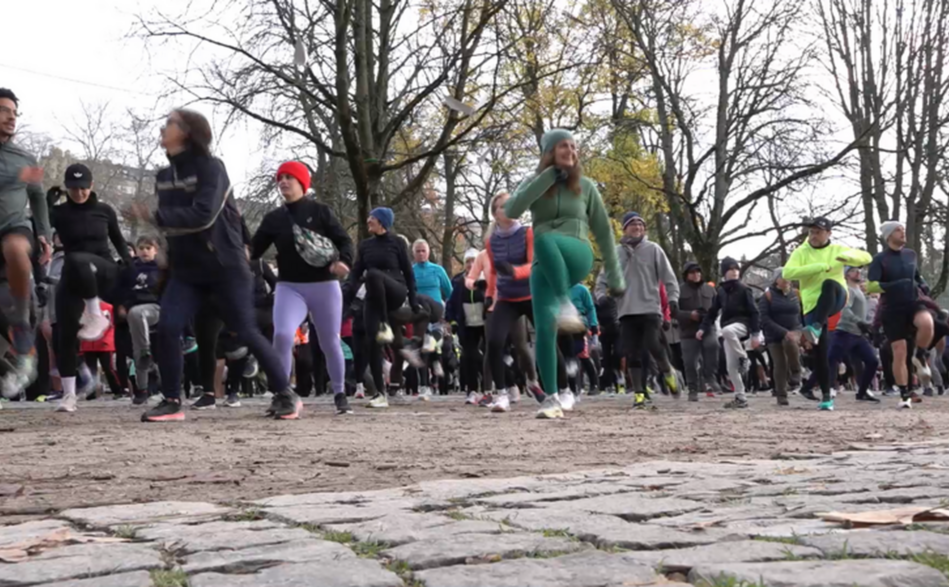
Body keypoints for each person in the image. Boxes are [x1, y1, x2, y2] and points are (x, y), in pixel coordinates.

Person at [132, 108, 300, 422]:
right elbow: (171, 228)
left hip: (225, 267)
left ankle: (285, 394)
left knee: (246, 331)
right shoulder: (164, 177)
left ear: (187, 132)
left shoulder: (213, 168)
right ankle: (171, 400)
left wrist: (153, 216)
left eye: (170, 123)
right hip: (186, 270)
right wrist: (166, 261)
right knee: (167, 327)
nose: (163, 128)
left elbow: (203, 215)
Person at [505, 129, 624, 419]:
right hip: (544, 265)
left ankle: (564, 302)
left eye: (573, 146)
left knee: (543, 236)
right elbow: (512, 209)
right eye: (563, 146)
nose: (570, 151)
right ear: (549, 152)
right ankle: (552, 397)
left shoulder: (585, 186)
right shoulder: (534, 182)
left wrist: (616, 274)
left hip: (577, 251)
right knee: (545, 329)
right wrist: (547, 177)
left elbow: (604, 232)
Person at [251, 161, 354, 416]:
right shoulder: (274, 218)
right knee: (283, 335)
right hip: (289, 287)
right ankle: (283, 394)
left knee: (330, 341)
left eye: (289, 177)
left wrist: (344, 262)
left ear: (302, 183)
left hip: (324, 286)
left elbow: (344, 241)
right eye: (280, 178)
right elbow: (253, 250)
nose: (283, 181)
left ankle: (340, 394)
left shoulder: (320, 212)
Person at [50, 164, 131, 412]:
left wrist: (128, 263)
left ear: (91, 186)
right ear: (67, 188)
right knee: (64, 332)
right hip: (75, 276)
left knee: (77, 258)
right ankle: (69, 395)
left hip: (103, 268)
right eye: (74, 189)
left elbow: (117, 238)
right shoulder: (60, 212)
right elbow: (39, 224)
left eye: (84, 188)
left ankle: (95, 313)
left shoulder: (104, 210)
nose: (80, 193)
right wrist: (45, 202)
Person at [783, 217, 871, 411]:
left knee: (829, 283)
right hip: (812, 304)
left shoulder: (837, 250)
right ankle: (826, 397)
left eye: (818, 232)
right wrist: (820, 267)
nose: (813, 236)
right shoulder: (801, 252)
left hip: (837, 297)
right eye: (811, 232)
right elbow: (788, 273)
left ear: (828, 233)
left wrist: (848, 259)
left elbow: (866, 257)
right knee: (821, 353)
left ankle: (814, 328)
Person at [597, 212, 679, 409]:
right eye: (633, 224)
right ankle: (639, 394)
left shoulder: (654, 249)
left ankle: (668, 371)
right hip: (626, 310)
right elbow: (602, 279)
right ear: (625, 228)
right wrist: (600, 296)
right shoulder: (615, 253)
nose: (637, 227)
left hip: (650, 306)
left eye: (641, 224)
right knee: (631, 352)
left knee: (652, 343)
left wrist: (673, 298)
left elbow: (669, 277)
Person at [0, 88, 51, 388]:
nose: (11, 117)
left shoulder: (24, 157)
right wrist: (14, 178)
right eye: (5, 110)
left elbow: (38, 195)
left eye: (15, 113)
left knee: (17, 247)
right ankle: (13, 366)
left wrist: (44, 232)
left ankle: (21, 320)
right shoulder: (19, 168)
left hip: (14, 228)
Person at [343, 207, 418, 408]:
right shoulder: (365, 245)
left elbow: (408, 272)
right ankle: (379, 393)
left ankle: (385, 322)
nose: (368, 221)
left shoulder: (397, 243)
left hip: (395, 288)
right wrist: (345, 296)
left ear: (382, 222)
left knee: (374, 275)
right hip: (374, 297)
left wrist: (413, 299)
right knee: (372, 342)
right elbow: (355, 273)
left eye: (372, 218)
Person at [482, 192, 541, 412]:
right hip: (507, 298)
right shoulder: (491, 241)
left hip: (531, 295)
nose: (509, 209)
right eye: (503, 207)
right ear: (495, 213)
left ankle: (558, 389)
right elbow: (495, 272)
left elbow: (533, 263)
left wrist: (515, 272)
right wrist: (489, 294)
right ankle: (502, 394)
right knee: (494, 342)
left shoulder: (528, 233)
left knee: (546, 341)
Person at [868, 220, 932, 409]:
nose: (902, 233)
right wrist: (895, 285)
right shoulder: (880, 259)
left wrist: (923, 284)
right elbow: (871, 285)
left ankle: (920, 355)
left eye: (903, 229)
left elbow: (917, 276)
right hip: (891, 308)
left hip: (913, 302)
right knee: (899, 351)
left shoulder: (911, 254)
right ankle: (905, 393)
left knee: (927, 323)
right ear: (889, 236)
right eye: (898, 230)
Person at [697, 257, 760, 409]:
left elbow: (754, 312)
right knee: (731, 367)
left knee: (727, 331)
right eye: (731, 269)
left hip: (743, 325)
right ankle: (740, 397)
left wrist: (755, 334)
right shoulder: (721, 291)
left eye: (736, 269)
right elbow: (712, 312)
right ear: (724, 272)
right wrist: (702, 328)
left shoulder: (745, 289)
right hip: (728, 331)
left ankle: (744, 358)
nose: (734, 272)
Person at [117, 236, 163, 397]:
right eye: (141, 248)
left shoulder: (162, 269)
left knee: (138, 315)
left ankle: (167, 388)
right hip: (133, 311)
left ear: (155, 251)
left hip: (156, 308)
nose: (144, 251)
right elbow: (121, 291)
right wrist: (122, 305)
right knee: (137, 349)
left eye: (148, 248)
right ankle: (141, 389)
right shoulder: (129, 270)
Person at [832, 266, 880, 403]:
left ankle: (862, 392)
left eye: (858, 270)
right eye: (853, 271)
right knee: (832, 360)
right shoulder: (848, 290)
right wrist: (860, 322)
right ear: (846, 275)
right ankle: (810, 387)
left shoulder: (858, 290)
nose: (858, 272)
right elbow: (845, 309)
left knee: (872, 361)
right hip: (845, 332)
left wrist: (867, 326)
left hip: (857, 334)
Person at [677, 262, 721, 401]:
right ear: (686, 275)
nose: (696, 275)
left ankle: (710, 377)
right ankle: (692, 389)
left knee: (713, 345)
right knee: (690, 362)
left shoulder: (710, 289)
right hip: (688, 330)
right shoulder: (679, 290)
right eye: (692, 272)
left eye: (698, 272)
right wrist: (689, 315)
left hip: (708, 327)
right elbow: (672, 311)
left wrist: (709, 317)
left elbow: (717, 307)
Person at [446, 249, 486, 399]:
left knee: (492, 354)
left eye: (473, 261)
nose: (470, 264)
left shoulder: (487, 278)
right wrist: (452, 321)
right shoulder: (458, 281)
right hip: (467, 324)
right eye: (467, 261)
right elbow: (451, 304)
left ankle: (502, 386)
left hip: (485, 323)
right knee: (469, 356)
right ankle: (472, 390)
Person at [758, 268, 802, 406]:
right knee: (779, 363)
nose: (787, 280)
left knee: (790, 343)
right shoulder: (767, 296)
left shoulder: (795, 294)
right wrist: (783, 332)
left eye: (789, 277)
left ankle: (796, 371)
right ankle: (781, 394)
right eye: (783, 277)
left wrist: (802, 331)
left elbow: (801, 313)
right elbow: (764, 318)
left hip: (794, 330)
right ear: (776, 279)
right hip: (774, 334)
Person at [412, 239, 452, 306]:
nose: (421, 253)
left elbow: (450, 292)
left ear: (428, 252)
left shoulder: (438, 270)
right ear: (413, 253)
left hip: (436, 310)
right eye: (418, 251)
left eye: (423, 251)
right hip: (418, 310)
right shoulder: (410, 271)